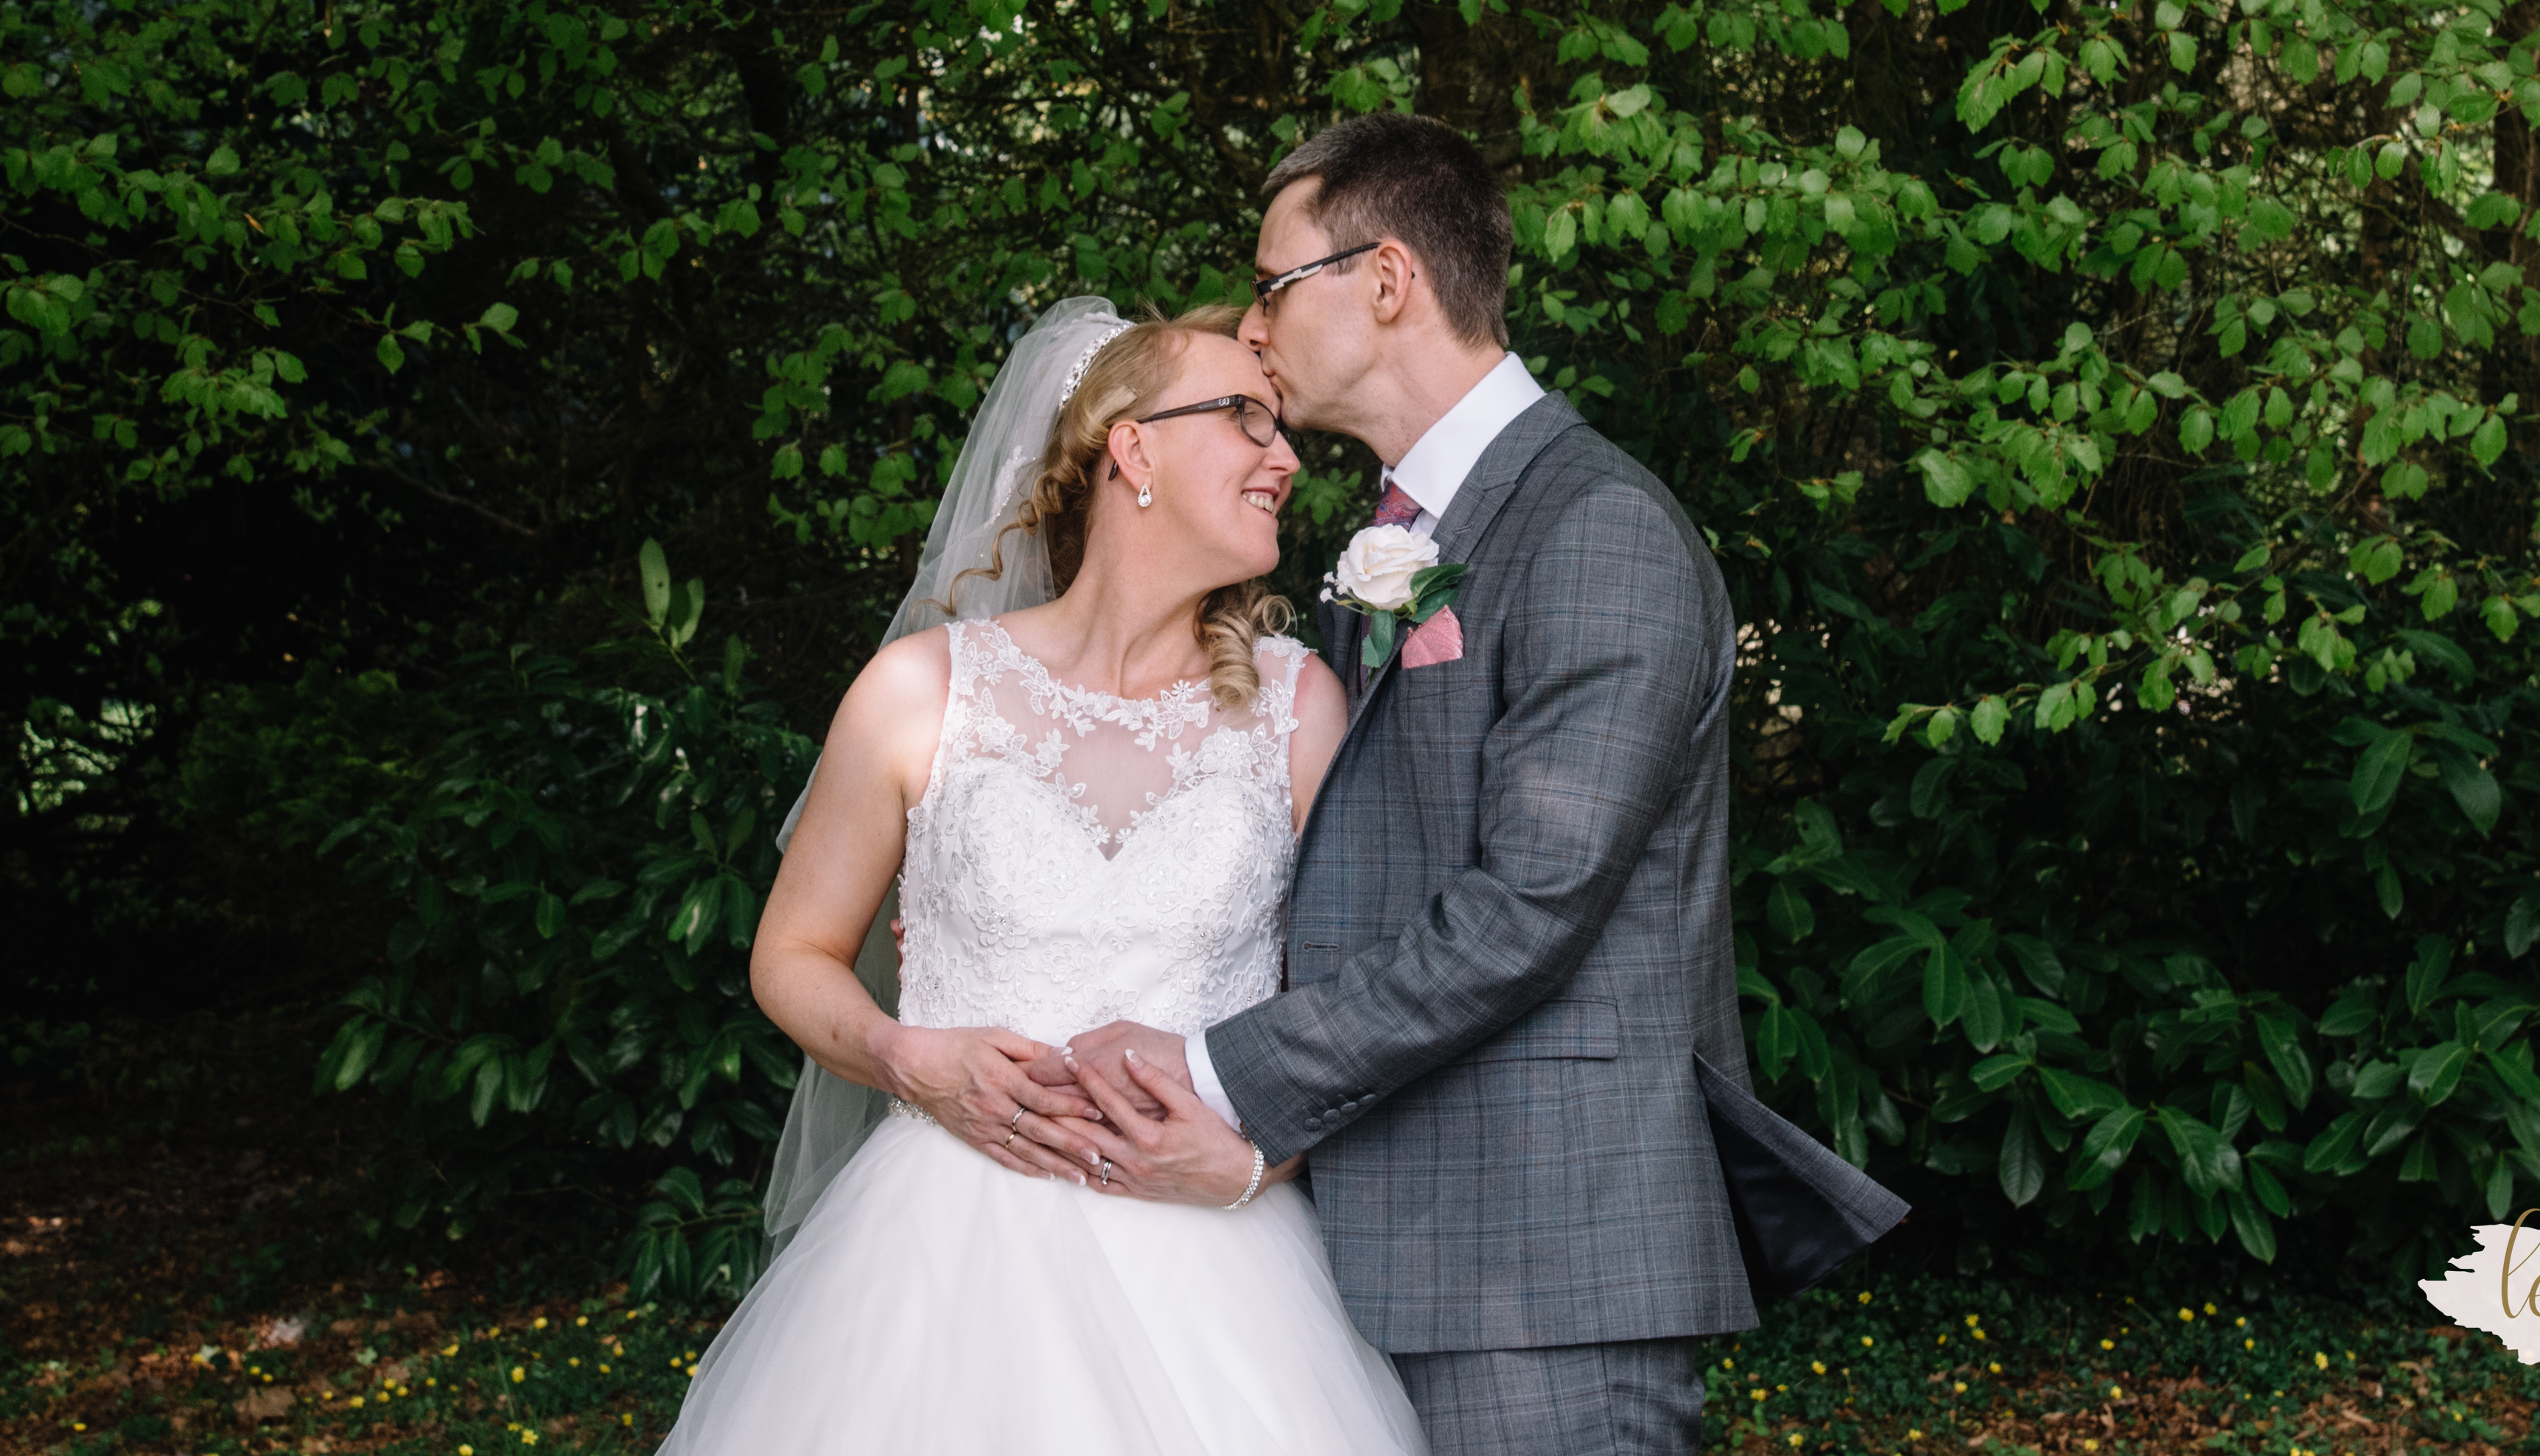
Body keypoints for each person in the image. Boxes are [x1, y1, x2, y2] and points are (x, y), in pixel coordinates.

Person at [1042, 113, 1761, 1456]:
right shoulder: (1397, 535)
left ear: (1385, 280)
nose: (1252, 326)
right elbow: (1345, 851)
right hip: (1380, 1241)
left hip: (1544, 1264)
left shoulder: (1595, 529)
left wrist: (1214, 1071)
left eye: (1273, 287)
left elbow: (1525, 908)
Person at [665, 302, 1424, 1456]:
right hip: (936, 1264)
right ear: (1133, 450)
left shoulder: (1297, 705)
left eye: (1282, 429)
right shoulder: (919, 692)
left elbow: (1359, 1000)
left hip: (1218, 1281)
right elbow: (792, 954)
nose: (1285, 459)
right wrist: (902, 1056)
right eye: (1245, 418)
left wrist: (1263, 1157)